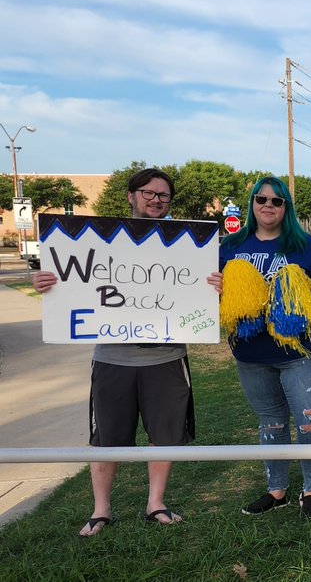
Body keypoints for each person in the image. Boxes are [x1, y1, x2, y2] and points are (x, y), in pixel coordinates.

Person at [32, 168, 210, 536]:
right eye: (148, 192)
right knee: (107, 438)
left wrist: (214, 286)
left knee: (164, 435)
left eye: (163, 195)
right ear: (130, 196)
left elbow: (198, 292)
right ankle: (101, 510)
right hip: (113, 359)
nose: (156, 199)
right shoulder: (98, 240)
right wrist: (47, 283)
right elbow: (70, 281)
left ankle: (156, 503)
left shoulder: (190, 244)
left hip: (167, 358)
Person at [213, 176, 311, 518]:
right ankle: (276, 490)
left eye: (277, 201)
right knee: (272, 423)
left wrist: (304, 284)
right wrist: (218, 288)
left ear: (286, 208)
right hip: (250, 353)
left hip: (301, 352)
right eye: (261, 199)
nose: (268, 205)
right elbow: (208, 295)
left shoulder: (307, 246)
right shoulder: (231, 247)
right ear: (251, 203)